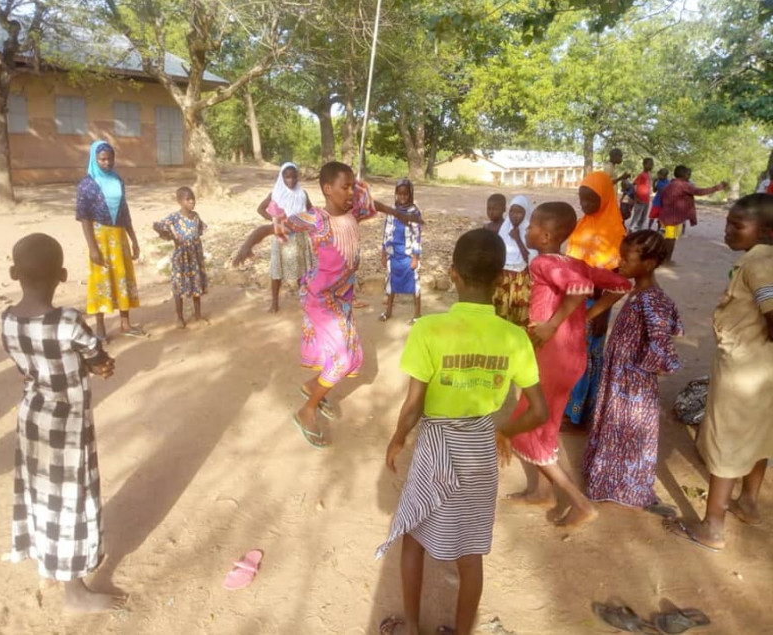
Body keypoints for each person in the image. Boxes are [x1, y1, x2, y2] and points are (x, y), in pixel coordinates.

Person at [376, 228, 549, 635]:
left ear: (453, 275)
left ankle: (412, 627)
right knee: (471, 551)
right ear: (502, 279)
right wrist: (504, 432)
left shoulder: (428, 330)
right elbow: (538, 410)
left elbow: (415, 403)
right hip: (481, 444)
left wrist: (399, 436)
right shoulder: (514, 338)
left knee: (414, 536)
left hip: (436, 442)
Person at [233, 162, 411, 448]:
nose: (352, 191)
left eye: (353, 185)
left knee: (353, 357)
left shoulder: (355, 211)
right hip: (321, 298)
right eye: (345, 186)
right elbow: (271, 227)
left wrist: (398, 212)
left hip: (343, 298)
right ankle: (307, 410)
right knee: (344, 358)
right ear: (327, 189)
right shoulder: (315, 218)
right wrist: (247, 244)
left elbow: (373, 204)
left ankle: (312, 387)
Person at [0, 233, 125, 612]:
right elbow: (95, 353)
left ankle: (48, 562)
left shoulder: (7, 321)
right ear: (64, 275)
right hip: (68, 428)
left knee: (40, 493)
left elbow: (26, 366)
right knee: (70, 499)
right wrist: (102, 367)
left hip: (32, 420)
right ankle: (74, 592)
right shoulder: (68, 320)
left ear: (12, 273)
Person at [506, 202, 630, 528]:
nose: (527, 230)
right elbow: (620, 285)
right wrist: (586, 316)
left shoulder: (543, 263)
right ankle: (541, 493)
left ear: (545, 235)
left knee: (522, 427)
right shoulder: (576, 262)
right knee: (545, 424)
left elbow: (579, 288)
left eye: (531, 225)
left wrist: (551, 324)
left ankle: (579, 502)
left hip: (553, 356)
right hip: (573, 357)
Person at [668, 193, 773, 551]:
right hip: (763, 371)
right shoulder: (763, 258)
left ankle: (712, 526)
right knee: (759, 437)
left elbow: (770, 308)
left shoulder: (759, 264)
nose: (727, 230)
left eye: (736, 225)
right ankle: (749, 502)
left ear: (766, 231)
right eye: (727, 222)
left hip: (743, 368)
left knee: (726, 441)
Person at [583, 230, 683, 514]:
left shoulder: (652, 299)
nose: (621, 262)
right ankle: (605, 481)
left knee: (629, 431)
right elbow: (610, 290)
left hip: (633, 380)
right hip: (622, 375)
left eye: (627, 258)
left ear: (649, 263)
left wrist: (641, 368)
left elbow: (662, 342)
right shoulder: (635, 289)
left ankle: (627, 486)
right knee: (616, 426)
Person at [563, 171, 628, 431]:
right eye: (582, 199)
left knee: (586, 357)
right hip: (575, 301)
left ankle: (578, 416)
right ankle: (572, 410)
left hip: (595, 305)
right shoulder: (583, 223)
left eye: (591, 200)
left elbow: (613, 277)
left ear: (605, 197)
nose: (585, 205)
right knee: (573, 355)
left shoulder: (615, 230)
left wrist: (601, 313)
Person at [76, 140, 143, 340]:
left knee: (124, 279)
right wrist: (93, 249)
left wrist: (134, 239)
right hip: (100, 238)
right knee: (100, 281)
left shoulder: (117, 180)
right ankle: (100, 327)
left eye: (110, 158)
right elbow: (84, 218)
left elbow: (124, 210)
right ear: (94, 160)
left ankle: (125, 323)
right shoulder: (87, 185)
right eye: (102, 159)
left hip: (119, 236)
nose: (107, 162)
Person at [256, 162, 314, 313]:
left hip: (299, 235)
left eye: (294, 177)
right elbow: (260, 209)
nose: (291, 181)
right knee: (277, 269)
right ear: (282, 178)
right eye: (287, 177)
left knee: (302, 269)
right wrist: (275, 220)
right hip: (281, 235)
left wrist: (305, 221)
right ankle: (274, 303)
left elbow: (311, 211)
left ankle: (305, 301)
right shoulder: (275, 193)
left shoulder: (302, 194)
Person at [153, 187, 208, 329]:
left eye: (193, 198)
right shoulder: (174, 217)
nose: (191, 201)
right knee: (179, 286)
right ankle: (179, 317)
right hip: (181, 257)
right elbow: (158, 226)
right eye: (187, 199)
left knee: (196, 283)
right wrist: (172, 235)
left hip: (195, 256)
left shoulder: (196, 216)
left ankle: (198, 314)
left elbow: (200, 230)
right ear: (179, 201)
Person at [658, 165, 728, 264]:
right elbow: (698, 191)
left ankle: (665, 259)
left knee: (669, 238)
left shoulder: (671, 184)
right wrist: (716, 188)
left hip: (667, 215)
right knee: (670, 239)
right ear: (682, 174)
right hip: (673, 218)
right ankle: (666, 260)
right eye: (687, 173)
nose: (689, 175)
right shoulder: (683, 185)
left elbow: (662, 198)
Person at [379, 179, 422, 325]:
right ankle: (388, 311)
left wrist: (415, 257)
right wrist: (384, 253)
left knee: (414, 283)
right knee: (391, 282)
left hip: (408, 254)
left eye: (406, 194)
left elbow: (417, 236)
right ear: (396, 194)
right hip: (394, 253)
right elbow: (386, 232)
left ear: (410, 194)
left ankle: (417, 314)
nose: (402, 197)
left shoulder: (414, 212)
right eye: (400, 194)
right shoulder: (392, 210)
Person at [493, 194, 537, 327]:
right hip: (503, 277)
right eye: (512, 211)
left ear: (526, 213)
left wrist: (518, 239)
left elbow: (531, 259)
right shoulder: (504, 228)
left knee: (518, 312)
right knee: (501, 313)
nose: (514, 215)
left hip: (520, 279)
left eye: (519, 212)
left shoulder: (529, 231)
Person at [629, 157, 654, 232]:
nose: (651, 166)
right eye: (649, 164)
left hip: (646, 200)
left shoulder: (649, 175)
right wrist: (636, 197)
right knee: (636, 216)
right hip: (640, 200)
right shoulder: (642, 175)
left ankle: (639, 231)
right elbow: (633, 184)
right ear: (644, 165)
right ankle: (631, 230)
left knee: (643, 217)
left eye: (652, 164)